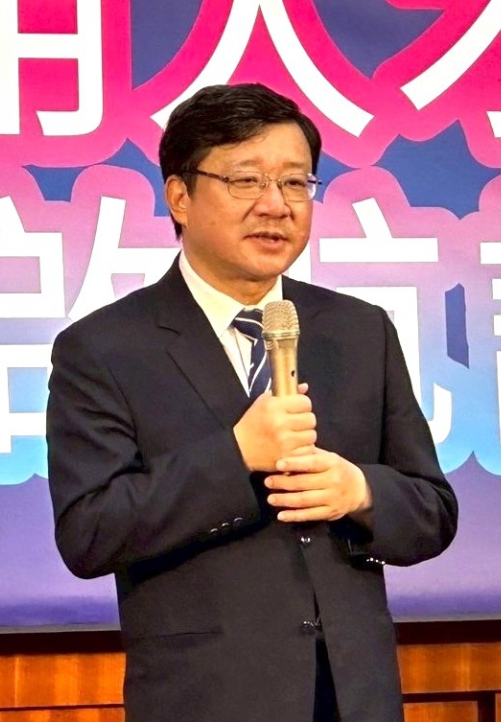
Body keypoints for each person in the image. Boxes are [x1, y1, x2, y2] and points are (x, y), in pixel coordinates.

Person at [46, 83, 458, 722]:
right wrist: (236, 456)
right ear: (180, 196)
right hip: (208, 699)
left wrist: (359, 491)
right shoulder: (104, 348)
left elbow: (432, 510)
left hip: (355, 697)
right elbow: (90, 534)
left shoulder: (359, 331)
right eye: (246, 180)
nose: (276, 205)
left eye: (295, 183)